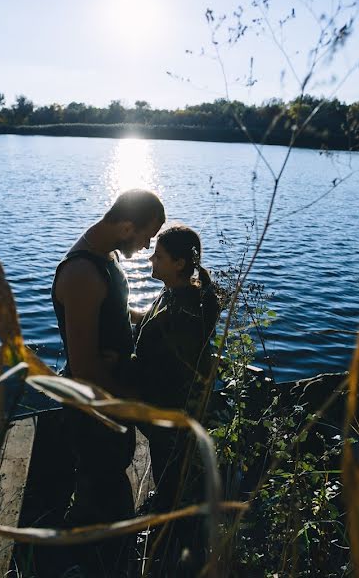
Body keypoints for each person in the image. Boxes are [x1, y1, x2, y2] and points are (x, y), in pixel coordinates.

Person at [51, 188, 165, 576]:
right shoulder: (81, 273)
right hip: (94, 407)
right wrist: (132, 401)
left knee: (108, 479)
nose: (148, 246)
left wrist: (148, 316)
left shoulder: (106, 255)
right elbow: (83, 366)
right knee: (104, 490)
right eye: (147, 236)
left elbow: (112, 311)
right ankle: (89, 564)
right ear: (127, 226)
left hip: (108, 398)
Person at [132, 225, 220, 574]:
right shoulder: (175, 295)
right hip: (168, 412)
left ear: (180, 263)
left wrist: (122, 366)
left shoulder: (183, 312)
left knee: (173, 478)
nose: (151, 258)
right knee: (169, 474)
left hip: (172, 414)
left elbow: (166, 366)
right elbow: (155, 329)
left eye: (160, 255)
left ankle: (175, 551)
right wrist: (132, 317)